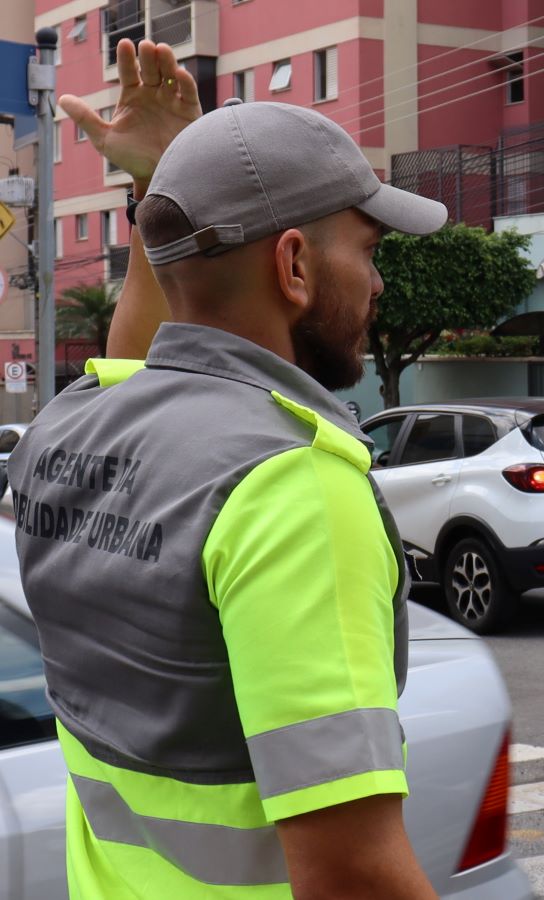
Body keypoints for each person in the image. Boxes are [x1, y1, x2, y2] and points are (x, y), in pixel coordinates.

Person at [9, 38, 446, 899]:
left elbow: (152, 356)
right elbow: (353, 873)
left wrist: (158, 186)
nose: (378, 284)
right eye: (369, 253)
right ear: (292, 265)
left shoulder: (66, 433)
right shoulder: (293, 490)